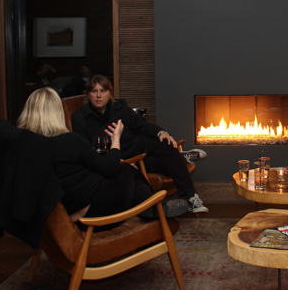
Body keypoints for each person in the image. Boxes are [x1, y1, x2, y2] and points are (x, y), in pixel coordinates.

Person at [17, 87, 187, 219]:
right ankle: (153, 208)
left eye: (102, 91)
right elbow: (110, 169)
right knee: (126, 170)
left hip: (75, 202)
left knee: (125, 169)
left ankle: (152, 209)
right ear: (56, 113)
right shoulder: (69, 141)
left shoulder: (26, 145)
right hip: (94, 209)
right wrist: (116, 139)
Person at [71, 74, 209, 214]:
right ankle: (181, 162)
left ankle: (191, 197)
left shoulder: (120, 107)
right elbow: (86, 151)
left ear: (110, 93)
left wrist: (162, 133)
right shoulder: (80, 118)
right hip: (121, 159)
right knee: (174, 161)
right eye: (94, 91)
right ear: (88, 94)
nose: (98, 96)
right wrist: (118, 161)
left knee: (166, 144)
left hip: (138, 147)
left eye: (103, 91)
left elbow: (142, 126)